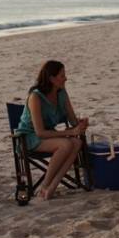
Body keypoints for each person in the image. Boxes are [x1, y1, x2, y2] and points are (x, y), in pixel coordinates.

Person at [15, 60, 89, 200]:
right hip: (28, 138)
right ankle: (45, 186)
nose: (66, 78)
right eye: (62, 76)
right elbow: (40, 132)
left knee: (77, 143)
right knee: (66, 144)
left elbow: (72, 120)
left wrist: (80, 124)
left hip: (49, 135)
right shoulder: (35, 97)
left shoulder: (61, 93)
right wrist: (71, 132)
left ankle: (53, 186)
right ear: (51, 79)